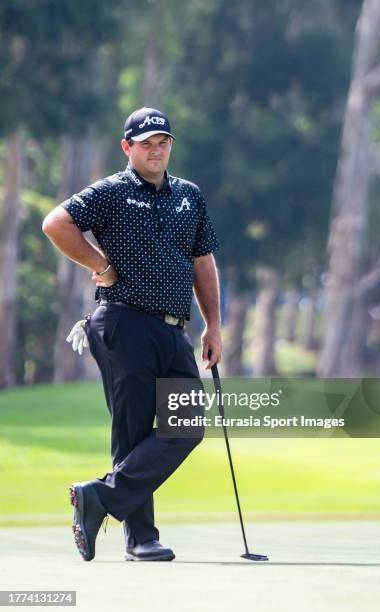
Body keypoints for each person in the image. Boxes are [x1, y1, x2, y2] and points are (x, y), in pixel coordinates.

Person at [42, 107, 222, 562]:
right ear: (128, 148)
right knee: (134, 430)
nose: (156, 150)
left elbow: (203, 262)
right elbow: (56, 223)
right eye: (146, 144)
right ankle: (141, 539)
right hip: (123, 323)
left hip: (171, 328)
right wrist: (100, 266)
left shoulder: (189, 196)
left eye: (162, 142)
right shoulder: (112, 191)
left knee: (187, 424)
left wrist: (214, 324)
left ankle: (99, 497)